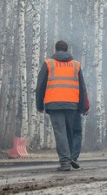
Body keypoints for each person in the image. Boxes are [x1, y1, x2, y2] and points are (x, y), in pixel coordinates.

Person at [36, 40, 88, 171]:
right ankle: (68, 158)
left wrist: (39, 104)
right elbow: (82, 88)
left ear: (55, 50)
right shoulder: (76, 65)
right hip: (72, 105)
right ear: (67, 50)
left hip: (54, 104)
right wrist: (81, 108)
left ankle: (65, 161)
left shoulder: (48, 63)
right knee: (69, 133)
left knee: (60, 133)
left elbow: (40, 85)